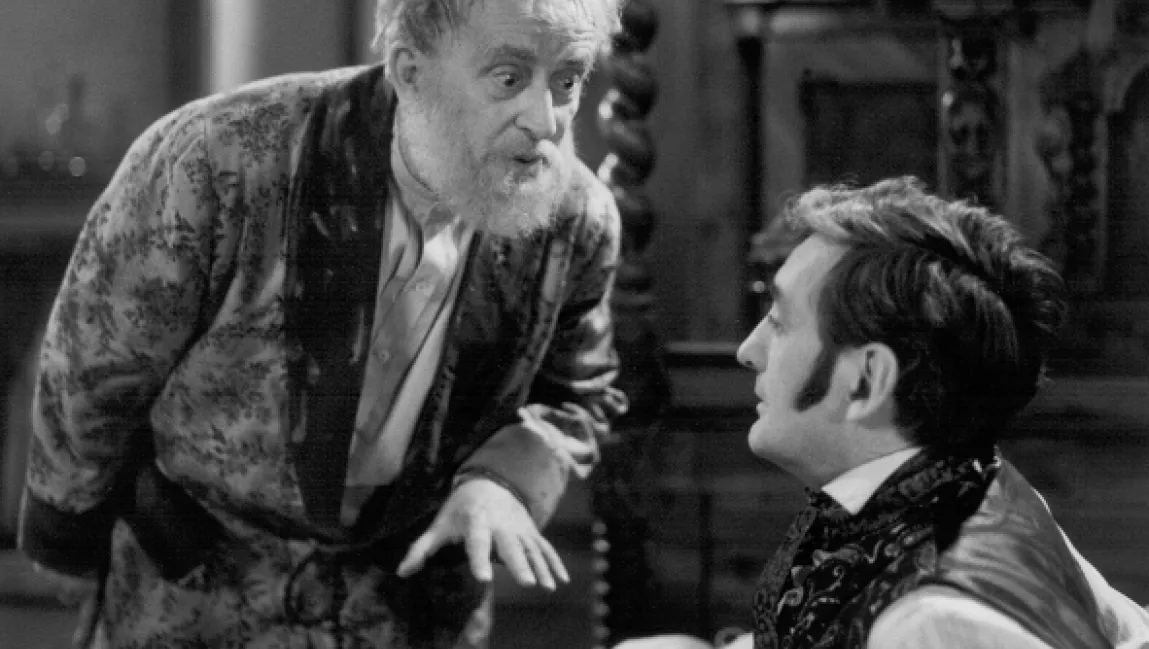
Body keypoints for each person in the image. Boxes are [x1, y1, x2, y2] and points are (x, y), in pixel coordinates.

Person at [17, 1, 628, 647]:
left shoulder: (576, 220)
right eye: (508, 78)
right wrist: (72, 541)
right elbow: (90, 370)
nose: (545, 120)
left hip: (412, 602)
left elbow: (578, 395)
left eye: (567, 81)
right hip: (195, 584)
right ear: (410, 71)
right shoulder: (219, 158)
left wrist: (502, 483)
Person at [616, 177, 1149, 649]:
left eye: (779, 322)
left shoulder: (928, 622)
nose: (748, 351)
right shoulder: (974, 486)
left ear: (867, 381)